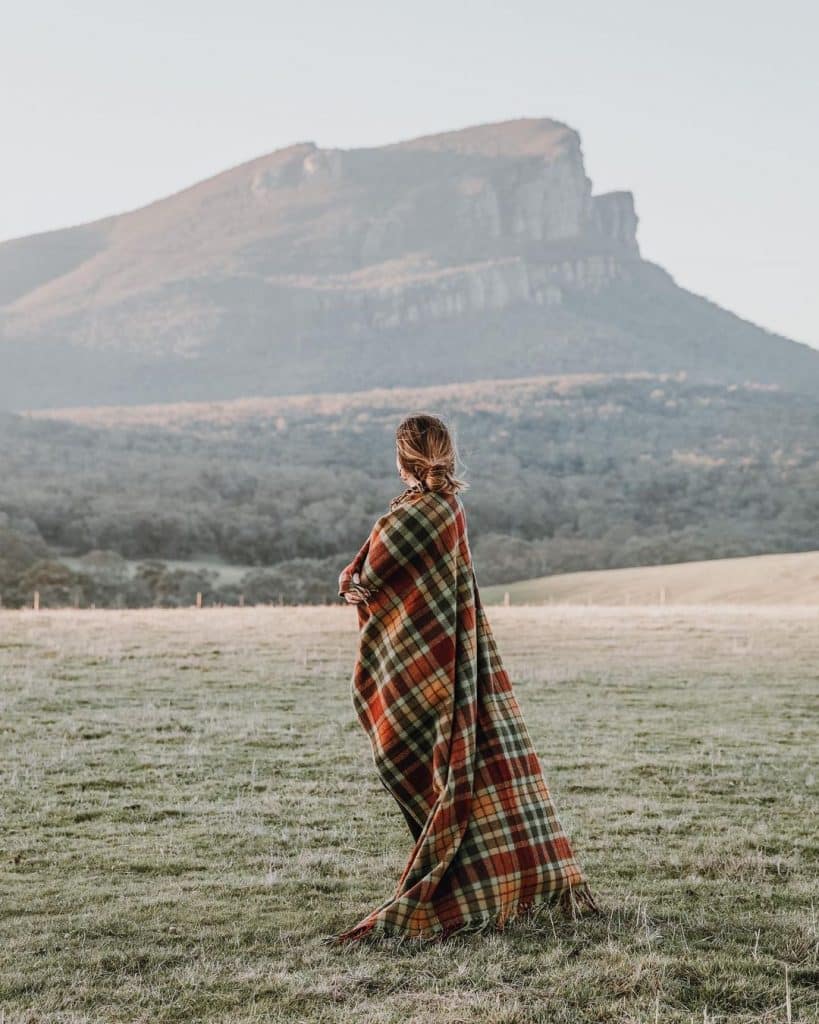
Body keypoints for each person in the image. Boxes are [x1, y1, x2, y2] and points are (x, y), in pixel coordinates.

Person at [328, 412, 597, 944]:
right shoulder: (446, 507)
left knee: (410, 757)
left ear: (402, 457)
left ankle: (459, 870)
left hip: (426, 664)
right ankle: (472, 865)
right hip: (443, 659)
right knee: (443, 764)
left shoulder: (418, 514)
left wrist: (351, 579)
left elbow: (370, 572)